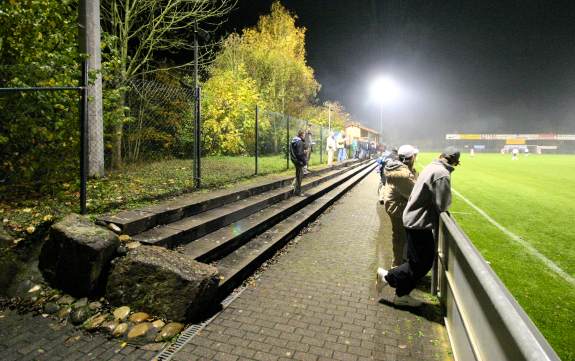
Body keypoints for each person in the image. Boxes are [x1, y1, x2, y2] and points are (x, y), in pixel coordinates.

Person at [376, 146, 461, 307]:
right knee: (421, 263)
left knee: (417, 261)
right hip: (419, 222)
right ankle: (387, 276)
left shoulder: (431, 167)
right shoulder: (442, 173)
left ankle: (402, 295)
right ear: (454, 161)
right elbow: (443, 204)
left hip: (413, 219)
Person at [382, 145, 419, 267]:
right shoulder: (403, 175)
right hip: (398, 208)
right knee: (400, 238)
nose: (416, 157)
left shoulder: (399, 168)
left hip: (395, 206)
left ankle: (399, 265)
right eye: (414, 156)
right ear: (411, 158)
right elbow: (415, 194)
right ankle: (397, 268)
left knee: (399, 237)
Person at [290, 129, 307, 196]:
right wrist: (304, 162)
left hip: (295, 160)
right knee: (299, 176)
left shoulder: (294, 141)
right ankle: (298, 191)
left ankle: (295, 188)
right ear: (302, 135)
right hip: (299, 161)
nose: (305, 136)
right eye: (304, 134)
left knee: (298, 175)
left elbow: (296, 151)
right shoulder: (299, 142)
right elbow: (300, 154)